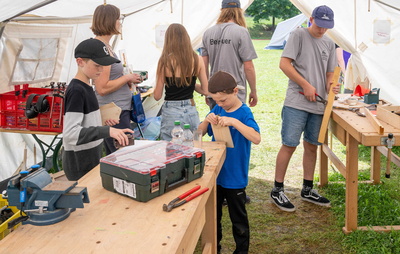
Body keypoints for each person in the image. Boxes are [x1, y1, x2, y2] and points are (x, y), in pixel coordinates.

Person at [270, 5, 340, 212]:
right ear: (311, 19)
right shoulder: (298, 35)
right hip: (297, 102)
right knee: (289, 144)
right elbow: (284, 64)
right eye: (319, 25)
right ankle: (277, 189)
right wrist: (305, 85)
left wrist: (331, 85)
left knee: (312, 145)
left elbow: (329, 74)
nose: (321, 30)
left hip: (319, 104)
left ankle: (307, 189)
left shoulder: (329, 43)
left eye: (326, 27)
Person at [198, 71, 260, 254]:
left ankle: (241, 250)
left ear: (234, 91)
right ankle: (214, 248)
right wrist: (206, 121)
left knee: (238, 219)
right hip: (216, 173)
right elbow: (200, 133)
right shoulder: (217, 108)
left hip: (235, 176)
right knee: (213, 217)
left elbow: (256, 138)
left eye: (223, 100)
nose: (220, 104)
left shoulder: (244, 113)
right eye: (216, 101)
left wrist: (234, 122)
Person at [62, 38, 134, 181]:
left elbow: (84, 123)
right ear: (80, 62)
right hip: (79, 163)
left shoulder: (88, 87)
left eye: (103, 66)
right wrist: (107, 131)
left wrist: (102, 123)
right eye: (97, 65)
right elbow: (70, 133)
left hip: (90, 157)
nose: (101, 70)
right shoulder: (76, 90)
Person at [91, 4, 142, 155]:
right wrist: (127, 77)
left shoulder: (106, 47)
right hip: (114, 114)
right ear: (110, 21)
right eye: (118, 18)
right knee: (123, 156)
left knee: (119, 155)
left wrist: (125, 80)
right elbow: (102, 88)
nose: (120, 22)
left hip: (119, 110)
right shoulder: (101, 48)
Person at [154, 23, 208, 141]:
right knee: (193, 147)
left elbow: (157, 96)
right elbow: (205, 90)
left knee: (171, 150)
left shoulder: (164, 61)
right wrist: (189, 83)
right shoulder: (197, 59)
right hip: (190, 109)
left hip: (171, 111)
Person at [200, 0, 258, 109]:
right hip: (235, 90)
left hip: (215, 90)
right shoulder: (241, 32)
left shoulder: (208, 32)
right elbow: (248, 67)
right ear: (239, 11)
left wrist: (207, 89)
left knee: (217, 124)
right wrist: (253, 91)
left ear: (222, 11)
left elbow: (203, 66)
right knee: (235, 125)